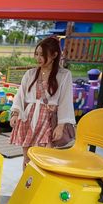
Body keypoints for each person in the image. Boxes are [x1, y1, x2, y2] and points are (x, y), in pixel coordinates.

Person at [9, 36, 75, 169]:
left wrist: (61, 126)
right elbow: (20, 94)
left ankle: (40, 187)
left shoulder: (64, 75)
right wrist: (15, 113)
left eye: (42, 55)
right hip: (29, 118)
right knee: (27, 158)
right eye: (37, 54)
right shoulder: (30, 74)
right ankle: (27, 187)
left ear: (54, 55)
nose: (38, 58)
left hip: (48, 120)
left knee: (45, 158)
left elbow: (65, 101)